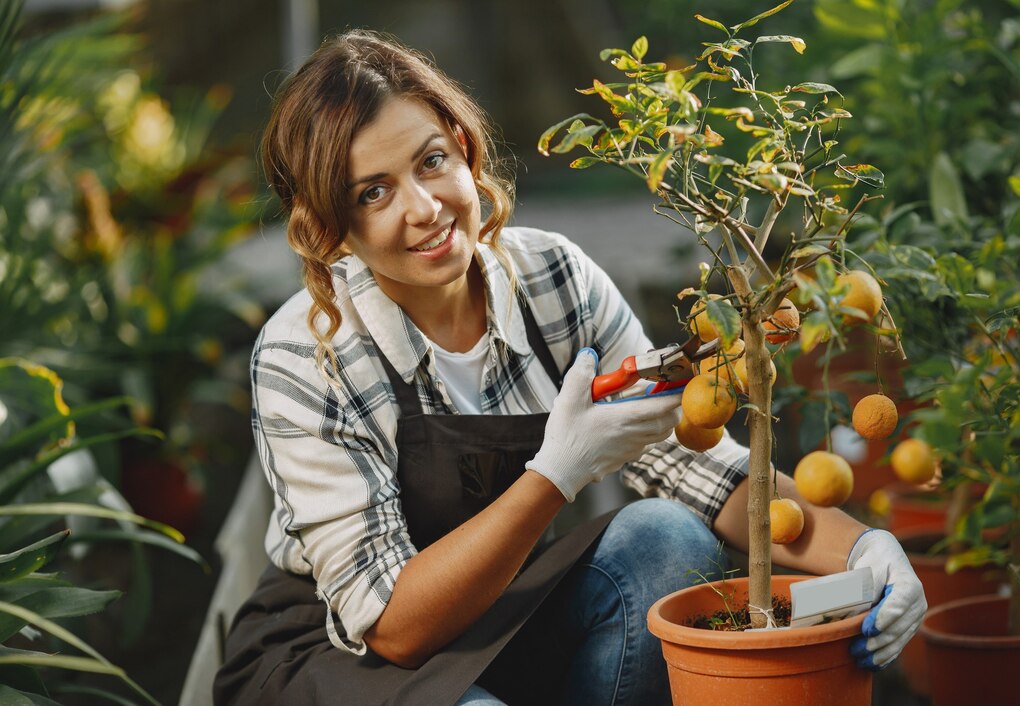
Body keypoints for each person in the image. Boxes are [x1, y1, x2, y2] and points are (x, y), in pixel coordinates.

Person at [213, 29, 926, 706]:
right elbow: (395, 628)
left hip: (507, 617)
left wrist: (863, 552)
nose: (425, 208)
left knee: (666, 540)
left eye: (432, 161)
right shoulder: (309, 353)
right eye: (374, 192)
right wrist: (557, 474)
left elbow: (699, 468)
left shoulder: (552, 280)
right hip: (342, 662)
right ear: (332, 225)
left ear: (463, 149)